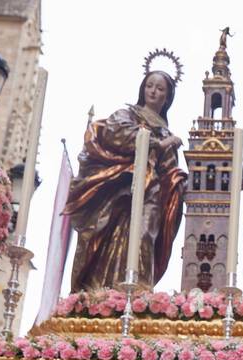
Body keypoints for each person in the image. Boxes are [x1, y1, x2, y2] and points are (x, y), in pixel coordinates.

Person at [63, 62, 188, 291]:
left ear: (167, 97)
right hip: (119, 186)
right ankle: (99, 292)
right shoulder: (128, 113)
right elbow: (115, 132)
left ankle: (136, 292)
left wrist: (184, 183)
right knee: (107, 234)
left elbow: (169, 171)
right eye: (149, 86)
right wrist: (157, 143)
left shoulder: (168, 132)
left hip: (151, 193)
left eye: (160, 89)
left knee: (144, 236)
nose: (153, 91)